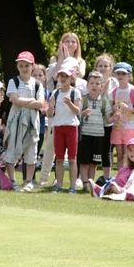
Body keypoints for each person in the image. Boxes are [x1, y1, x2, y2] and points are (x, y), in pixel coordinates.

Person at [1, 51, 46, 192]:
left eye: (27, 65)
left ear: (32, 66)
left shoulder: (37, 84)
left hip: (32, 122)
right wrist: (31, 101)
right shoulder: (13, 81)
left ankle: (28, 181)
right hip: (15, 121)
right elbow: (14, 99)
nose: (24, 68)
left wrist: (24, 102)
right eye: (21, 65)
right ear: (17, 66)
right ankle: (13, 181)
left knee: (31, 152)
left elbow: (41, 104)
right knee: (12, 150)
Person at [48, 64, 82, 193]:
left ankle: (72, 187)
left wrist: (69, 103)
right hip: (58, 127)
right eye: (61, 75)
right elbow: (50, 114)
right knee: (59, 158)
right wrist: (50, 108)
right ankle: (59, 185)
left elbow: (77, 111)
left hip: (71, 128)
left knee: (72, 159)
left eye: (66, 76)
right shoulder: (55, 93)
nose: (63, 78)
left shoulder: (75, 92)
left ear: (71, 78)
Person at [78, 72, 112, 187]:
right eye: (92, 83)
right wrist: (83, 113)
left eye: (97, 83)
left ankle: (91, 183)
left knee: (94, 163)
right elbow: (76, 116)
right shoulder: (83, 100)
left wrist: (116, 117)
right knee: (84, 162)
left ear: (101, 86)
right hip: (85, 135)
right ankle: (85, 183)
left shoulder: (104, 101)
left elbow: (108, 119)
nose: (94, 86)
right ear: (87, 85)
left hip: (98, 136)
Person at [110, 62, 134, 169]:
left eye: (123, 74)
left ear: (129, 76)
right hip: (117, 126)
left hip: (130, 126)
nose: (120, 76)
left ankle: (129, 175)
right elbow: (111, 109)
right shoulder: (114, 91)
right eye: (118, 73)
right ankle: (121, 176)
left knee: (128, 155)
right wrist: (114, 109)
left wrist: (128, 109)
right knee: (119, 155)